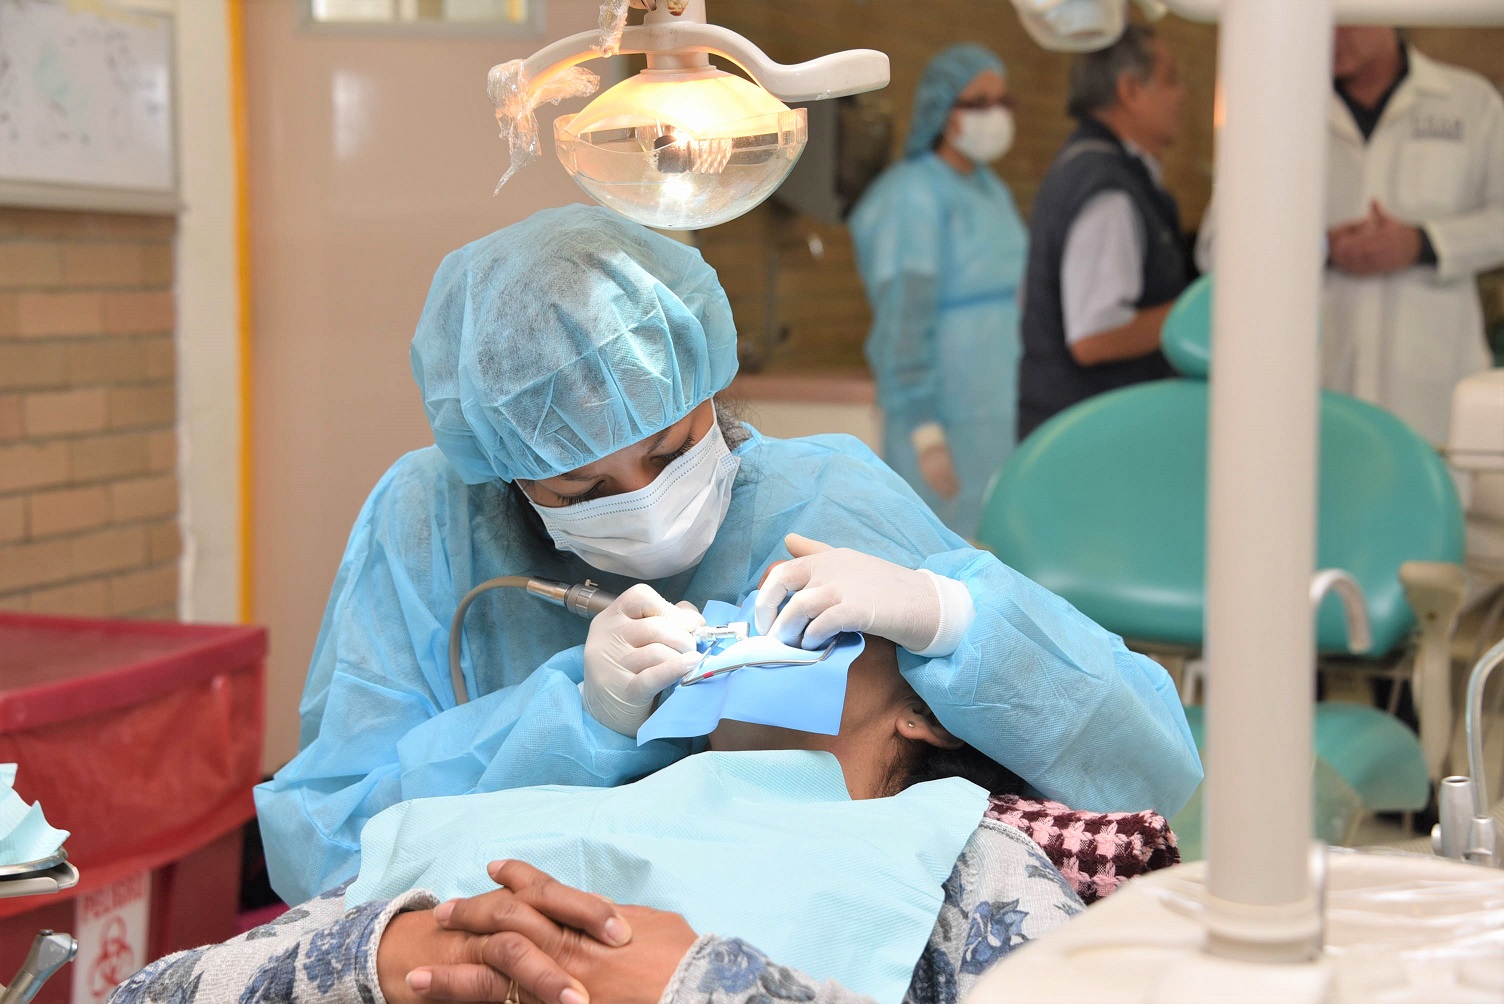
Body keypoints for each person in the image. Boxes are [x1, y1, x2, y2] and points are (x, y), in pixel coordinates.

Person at [254, 204, 1202, 905]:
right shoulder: (430, 521)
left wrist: (955, 620)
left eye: (670, 451)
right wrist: (573, 719)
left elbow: (1146, 770)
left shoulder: (821, 499)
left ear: (708, 382)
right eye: (582, 491)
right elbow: (326, 850)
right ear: (505, 475)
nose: (645, 505)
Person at [114, 636, 1119, 1004]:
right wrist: (381, 955)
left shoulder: (964, 851)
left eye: (819, 622)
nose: (756, 624)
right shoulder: (568, 802)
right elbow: (150, 993)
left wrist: (708, 984)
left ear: (922, 709)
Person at [1196, 29, 1504, 446]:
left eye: (1348, 18)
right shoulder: (1275, 106)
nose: (1331, 33)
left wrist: (1423, 243)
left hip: (1430, 383)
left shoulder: (1471, 102)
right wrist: (1319, 248)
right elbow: (1217, 247)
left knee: (1433, 496)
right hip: (1312, 384)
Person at [849, 43, 1029, 538]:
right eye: (978, 102)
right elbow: (904, 320)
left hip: (997, 409)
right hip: (943, 421)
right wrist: (925, 433)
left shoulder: (991, 191)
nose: (994, 115)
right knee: (940, 563)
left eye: (1002, 102)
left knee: (998, 546)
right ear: (942, 112)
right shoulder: (914, 196)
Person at [1016, 25, 1189, 442]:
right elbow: (1095, 337)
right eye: (1170, 80)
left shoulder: (1107, 172)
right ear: (1129, 90)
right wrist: (1203, 313)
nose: (1182, 95)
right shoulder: (1106, 189)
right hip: (1089, 443)